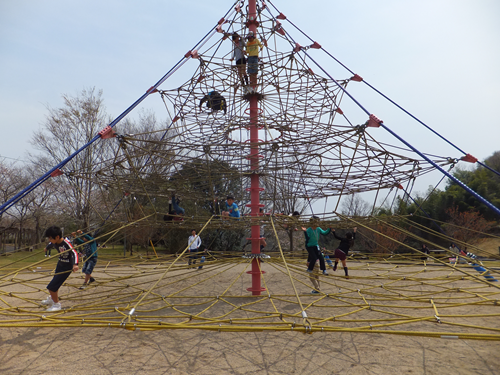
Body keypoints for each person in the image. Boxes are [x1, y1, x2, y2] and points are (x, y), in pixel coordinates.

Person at [40, 226, 79, 312]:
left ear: (57, 237)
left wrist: (75, 264)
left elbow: (74, 253)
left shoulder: (66, 243)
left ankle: (57, 305)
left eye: (50, 238)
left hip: (66, 267)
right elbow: (51, 244)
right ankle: (51, 299)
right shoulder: (55, 242)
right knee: (55, 283)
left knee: (52, 287)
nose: (49, 240)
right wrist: (47, 248)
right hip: (60, 264)